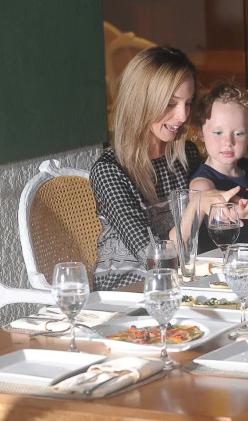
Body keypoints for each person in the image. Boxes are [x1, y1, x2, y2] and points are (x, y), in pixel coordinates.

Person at [90, 47, 237, 291]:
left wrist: (232, 207)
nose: (183, 116)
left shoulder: (186, 154)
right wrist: (196, 206)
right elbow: (154, 258)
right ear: (141, 102)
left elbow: (209, 223)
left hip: (182, 282)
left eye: (188, 103)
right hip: (127, 290)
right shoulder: (110, 170)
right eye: (170, 103)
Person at [190, 80, 248, 251]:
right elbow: (217, 214)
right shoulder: (201, 183)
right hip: (217, 262)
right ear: (200, 132)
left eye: (238, 133)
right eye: (218, 132)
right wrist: (237, 215)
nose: (228, 142)